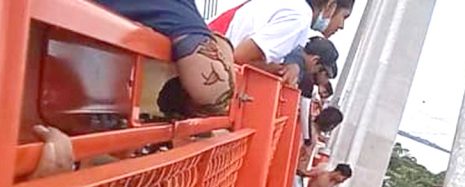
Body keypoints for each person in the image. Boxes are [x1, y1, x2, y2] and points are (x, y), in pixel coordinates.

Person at [95, 0, 235, 117]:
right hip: (113, 128)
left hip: (89, 117)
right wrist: (223, 45)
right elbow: (212, 92)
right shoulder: (172, 8)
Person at [216, 0, 350, 83]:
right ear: (331, 6)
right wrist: (280, 71)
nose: (342, 26)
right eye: (344, 16)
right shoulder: (298, 17)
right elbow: (239, 56)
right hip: (214, 66)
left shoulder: (294, 7)